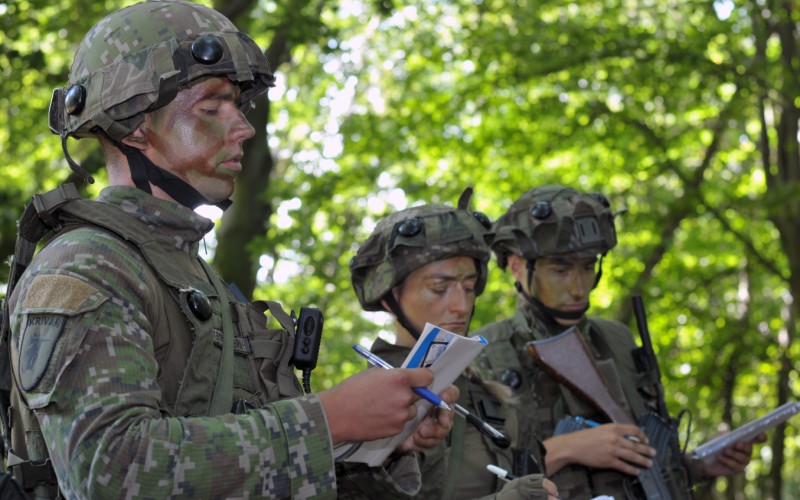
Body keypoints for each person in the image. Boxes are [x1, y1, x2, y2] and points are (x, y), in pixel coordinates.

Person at [0, 1, 456, 498]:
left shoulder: (199, 282)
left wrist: (382, 438)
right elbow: (108, 472)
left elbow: (240, 468)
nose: (244, 128)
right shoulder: (89, 266)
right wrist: (329, 419)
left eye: (239, 106)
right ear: (135, 125)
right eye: (212, 108)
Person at [472, 185, 764, 499]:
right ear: (517, 266)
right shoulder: (485, 351)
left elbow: (643, 455)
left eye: (588, 267)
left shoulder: (615, 339)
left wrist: (700, 465)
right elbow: (471, 482)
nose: (578, 287)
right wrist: (561, 450)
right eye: (561, 270)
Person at [345, 188, 559, 500]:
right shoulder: (361, 405)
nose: (461, 305)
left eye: (469, 287)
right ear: (389, 297)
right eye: (439, 287)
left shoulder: (494, 402)